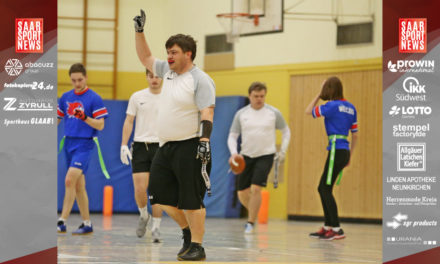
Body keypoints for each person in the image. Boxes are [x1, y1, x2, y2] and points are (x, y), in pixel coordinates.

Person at [133, 10, 215, 261]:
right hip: (165, 147)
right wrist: (139, 31)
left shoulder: (200, 79)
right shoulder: (166, 72)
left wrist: (204, 141)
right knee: (160, 197)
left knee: (191, 200)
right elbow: (145, 56)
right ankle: (188, 231)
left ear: (188, 54)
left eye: (174, 52)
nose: (168, 57)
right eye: (167, 52)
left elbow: (207, 111)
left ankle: (198, 247)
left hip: (190, 146)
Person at [227, 82, 291, 234]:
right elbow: (232, 136)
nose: (259, 99)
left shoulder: (273, 113)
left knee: (256, 189)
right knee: (242, 193)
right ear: (250, 96)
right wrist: (234, 153)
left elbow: (286, 131)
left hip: (266, 155)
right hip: (246, 156)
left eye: (262, 96)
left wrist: (283, 150)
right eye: (256, 96)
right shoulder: (241, 114)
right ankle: (254, 213)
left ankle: (250, 222)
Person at [57, 63, 109, 235]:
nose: (77, 83)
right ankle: (87, 223)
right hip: (69, 144)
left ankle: (62, 221)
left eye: (80, 79)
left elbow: (100, 125)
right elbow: (57, 119)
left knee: (69, 180)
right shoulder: (65, 97)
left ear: (86, 78)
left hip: (84, 145)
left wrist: (85, 117)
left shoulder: (94, 98)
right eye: (73, 80)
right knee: (78, 186)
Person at [305, 76, 358, 241]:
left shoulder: (331, 106)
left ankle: (336, 228)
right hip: (344, 151)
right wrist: (350, 154)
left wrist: (318, 95)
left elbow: (309, 111)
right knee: (324, 188)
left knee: (324, 189)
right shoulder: (351, 107)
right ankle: (328, 227)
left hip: (336, 150)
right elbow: (355, 135)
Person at [120, 69, 164, 242]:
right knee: (140, 189)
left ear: (163, 77)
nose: (154, 79)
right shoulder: (137, 97)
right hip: (140, 146)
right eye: (151, 76)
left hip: (161, 146)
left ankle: (157, 227)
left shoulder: (169, 97)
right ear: (146, 77)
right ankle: (144, 215)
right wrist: (123, 144)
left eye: (157, 76)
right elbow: (129, 121)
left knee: (158, 190)